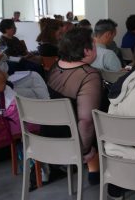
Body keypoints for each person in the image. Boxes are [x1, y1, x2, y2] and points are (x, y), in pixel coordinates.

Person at [46, 28, 102, 185]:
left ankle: (94, 172)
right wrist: (83, 150)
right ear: (86, 50)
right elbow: (86, 121)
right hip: (71, 141)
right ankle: (98, 174)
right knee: (103, 119)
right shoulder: (89, 75)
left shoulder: (56, 66)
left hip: (48, 136)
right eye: (95, 45)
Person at [0, 22, 49, 100]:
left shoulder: (10, 40)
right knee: (35, 71)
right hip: (9, 70)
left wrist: (23, 56)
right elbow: (5, 57)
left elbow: (5, 56)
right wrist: (21, 58)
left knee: (35, 69)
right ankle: (47, 99)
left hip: (10, 66)